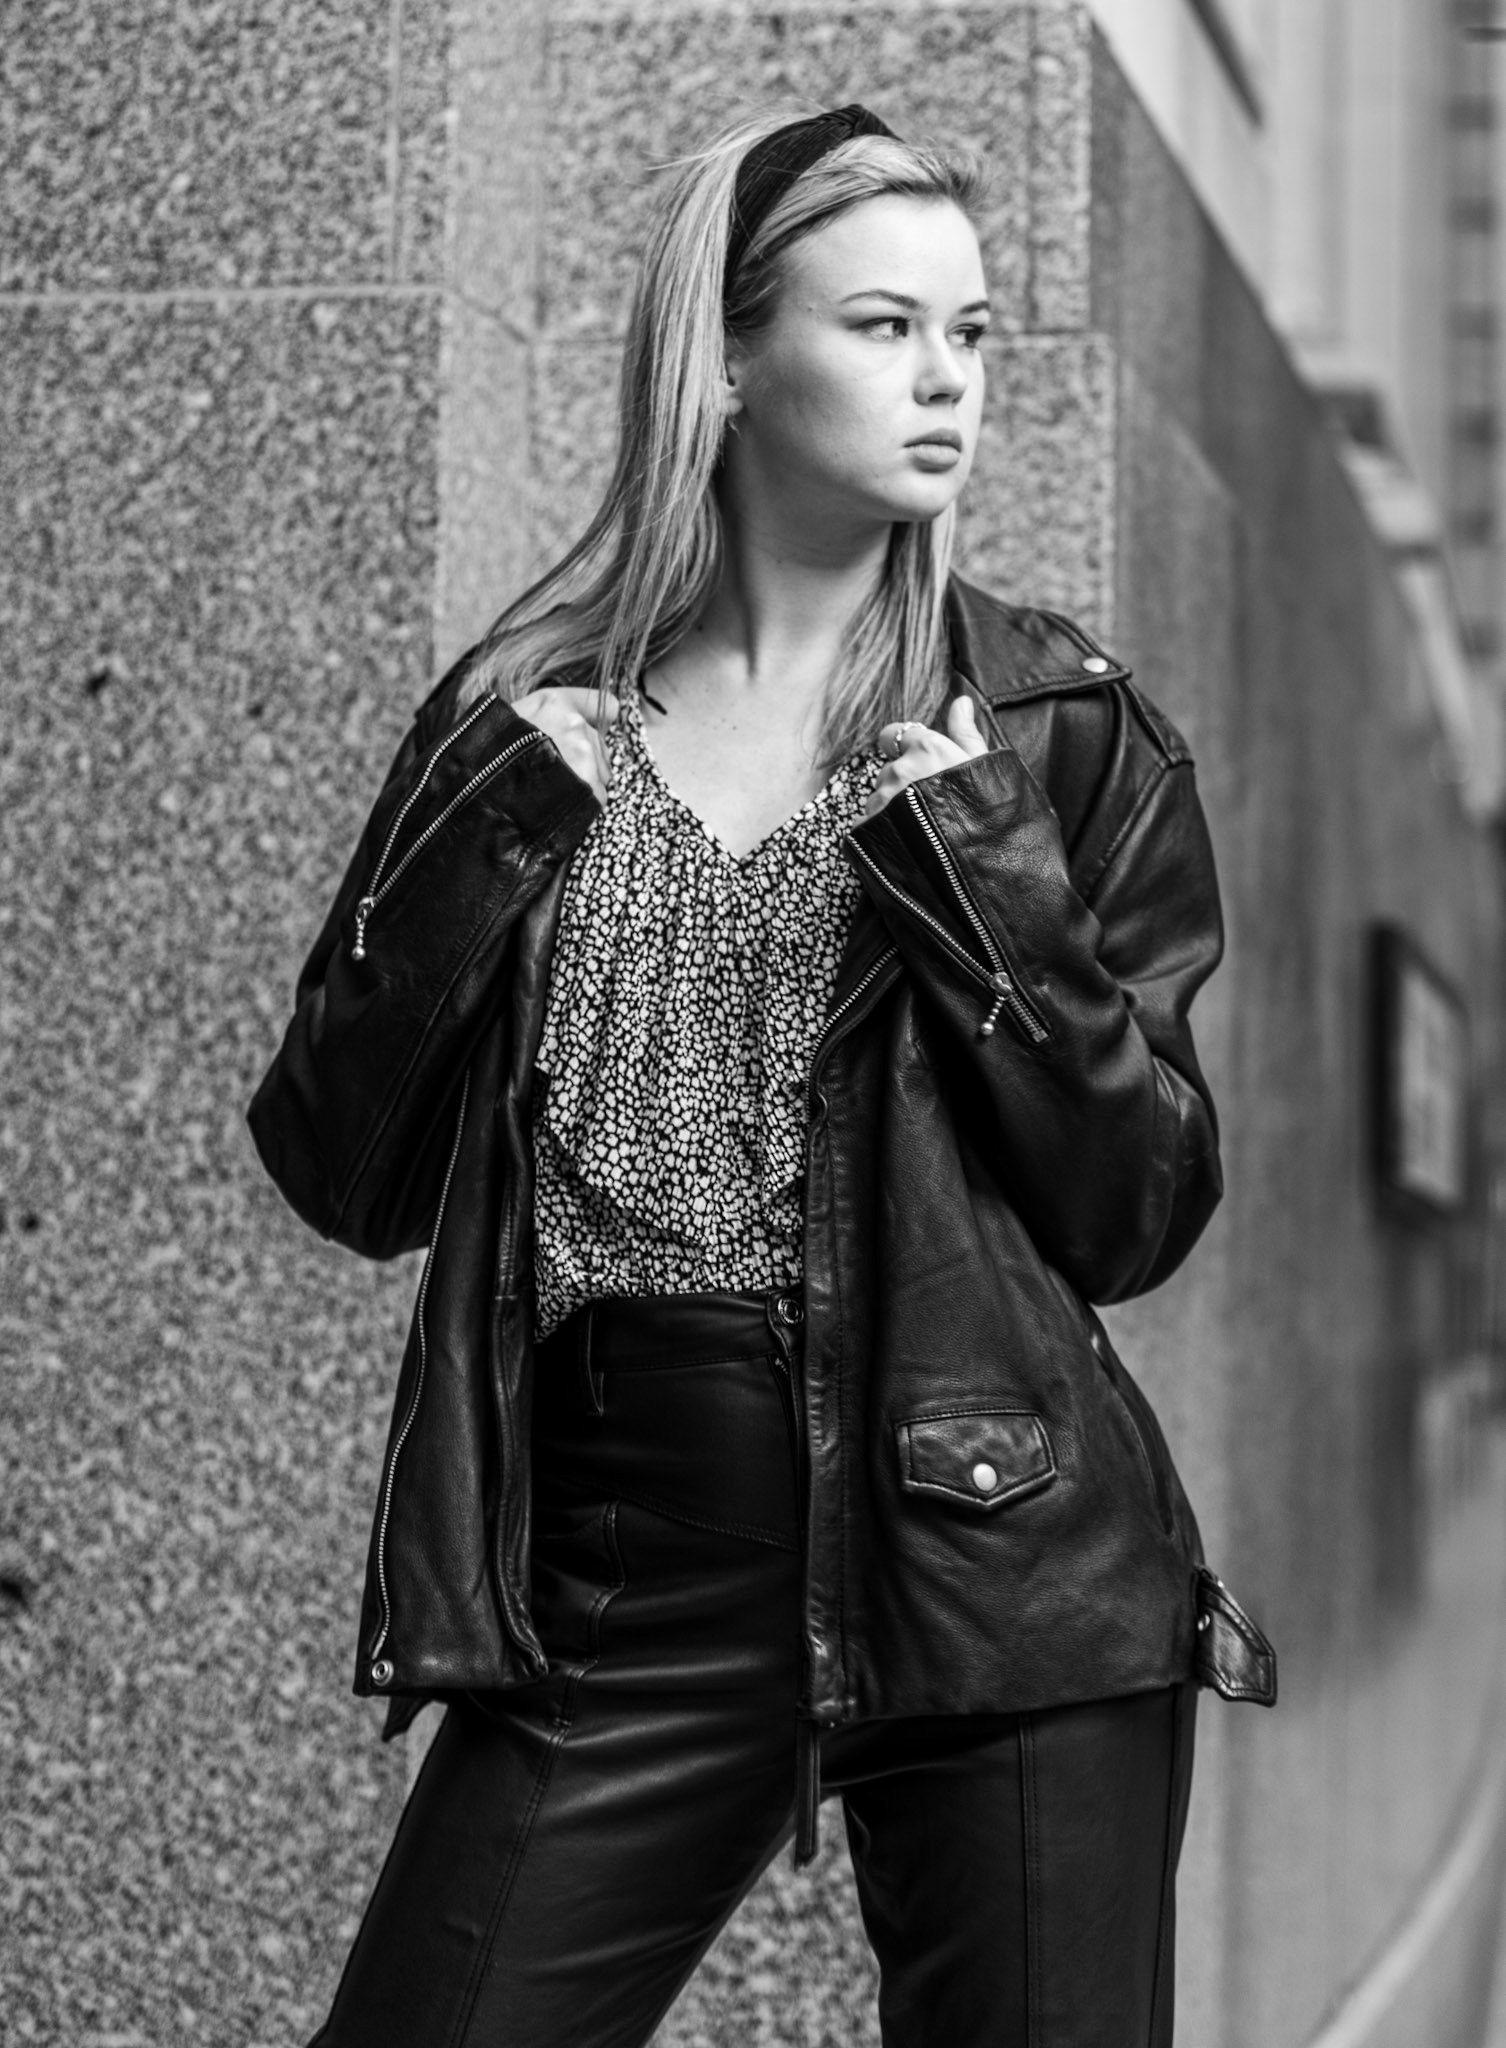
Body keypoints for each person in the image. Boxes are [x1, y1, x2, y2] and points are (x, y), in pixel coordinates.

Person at [249, 102, 1270, 2048]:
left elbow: (1137, 1210)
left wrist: (988, 876)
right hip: (623, 1576)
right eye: (884, 326)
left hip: (998, 1562)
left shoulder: (1046, 728)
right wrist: (485, 842)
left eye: (971, 332)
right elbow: (338, 1166)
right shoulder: (522, 716)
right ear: (721, 358)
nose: (947, 378)